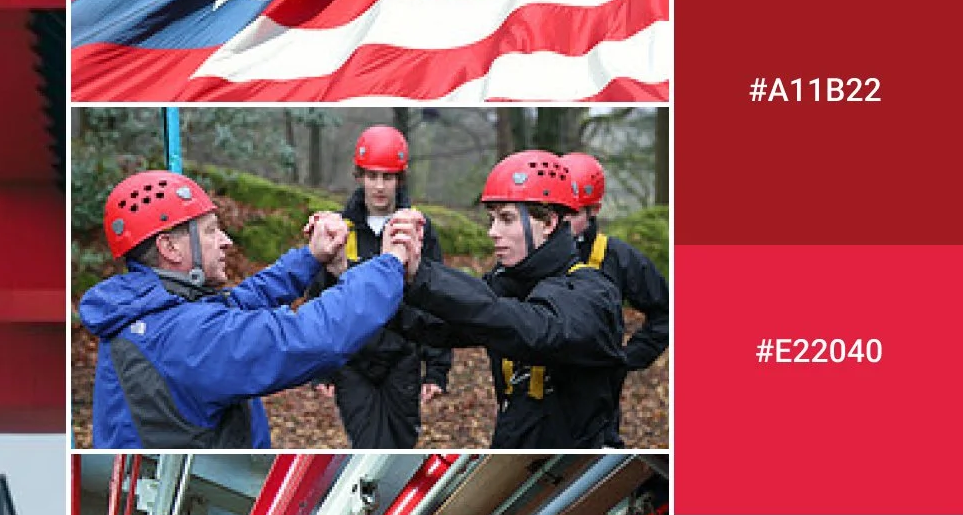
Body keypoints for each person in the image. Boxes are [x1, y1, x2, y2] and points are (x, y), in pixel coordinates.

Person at [79, 169, 412, 449]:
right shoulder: (184, 336)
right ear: (170, 248)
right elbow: (312, 338)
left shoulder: (148, 311)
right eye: (211, 231)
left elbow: (236, 303)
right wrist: (390, 264)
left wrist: (311, 257)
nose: (226, 241)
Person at [385, 152, 625, 449]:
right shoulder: (507, 283)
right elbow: (436, 323)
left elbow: (532, 329)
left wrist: (424, 275)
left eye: (507, 219)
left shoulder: (593, 294)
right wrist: (362, 278)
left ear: (548, 222)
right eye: (492, 219)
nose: (493, 232)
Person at [306, 125, 453, 449]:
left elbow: (436, 298)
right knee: (367, 443)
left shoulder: (416, 228)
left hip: (402, 356)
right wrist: (321, 367)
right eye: (372, 176)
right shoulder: (340, 229)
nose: (379, 186)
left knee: (402, 443)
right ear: (360, 176)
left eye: (388, 177)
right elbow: (321, 298)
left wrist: (437, 368)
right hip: (352, 360)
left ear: (400, 179)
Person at [559, 152, 668, 446]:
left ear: (593, 210)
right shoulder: (526, 256)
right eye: (555, 211)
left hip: (597, 407)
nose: (561, 223)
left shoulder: (617, 258)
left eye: (572, 214)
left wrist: (626, 358)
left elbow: (666, 312)